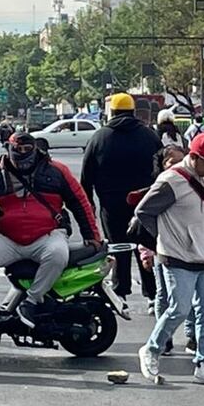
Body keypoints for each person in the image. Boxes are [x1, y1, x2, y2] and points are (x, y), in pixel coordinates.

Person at [0, 132, 101, 328]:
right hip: (7, 238)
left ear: (35, 149)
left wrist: (92, 236)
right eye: (17, 150)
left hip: (48, 235)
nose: (22, 154)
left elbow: (80, 203)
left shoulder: (57, 171)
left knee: (58, 254)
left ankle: (33, 300)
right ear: (8, 150)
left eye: (27, 149)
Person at [132, 133, 204, 386]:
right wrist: (163, 237)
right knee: (179, 309)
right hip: (176, 255)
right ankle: (151, 350)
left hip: (203, 253)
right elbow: (143, 211)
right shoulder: (170, 181)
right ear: (194, 157)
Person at [80, 93, 162, 315]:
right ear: (133, 112)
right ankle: (153, 295)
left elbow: (86, 177)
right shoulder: (149, 136)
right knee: (145, 248)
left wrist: (90, 205)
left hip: (111, 204)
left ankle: (120, 292)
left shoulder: (99, 137)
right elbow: (163, 170)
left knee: (118, 248)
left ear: (112, 113)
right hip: (145, 204)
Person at [135, 144, 187, 352]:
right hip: (161, 249)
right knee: (163, 294)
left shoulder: (192, 184)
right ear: (163, 165)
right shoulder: (159, 186)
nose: (178, 166)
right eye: (172, 162)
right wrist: (147, 251)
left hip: (188, 249)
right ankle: (163, 339)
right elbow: (141, 220)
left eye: (181, 162)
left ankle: (190, 335)